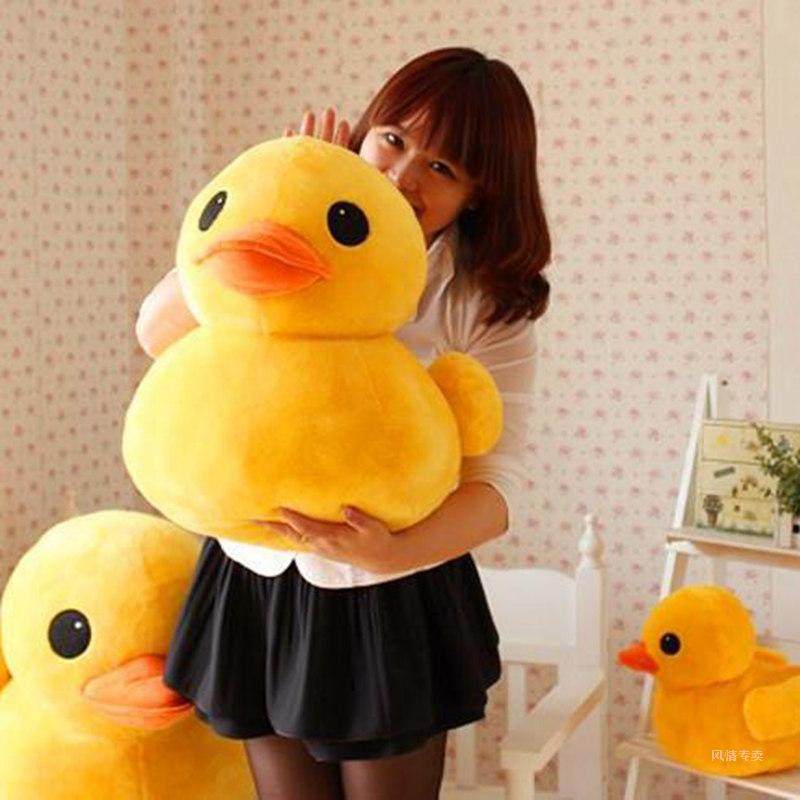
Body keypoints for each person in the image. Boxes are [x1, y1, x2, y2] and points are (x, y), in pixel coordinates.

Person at [139, 47, 551, 800]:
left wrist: (393, 552)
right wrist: (279, 202)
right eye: (393, 139)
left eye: (442, 167)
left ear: (478, 195)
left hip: (387, 591)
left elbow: (497, 488)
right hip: (256, 575)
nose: (402, 175)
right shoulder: (288, 236)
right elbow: (155, 332)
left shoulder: (482, 303)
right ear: (365, 132)